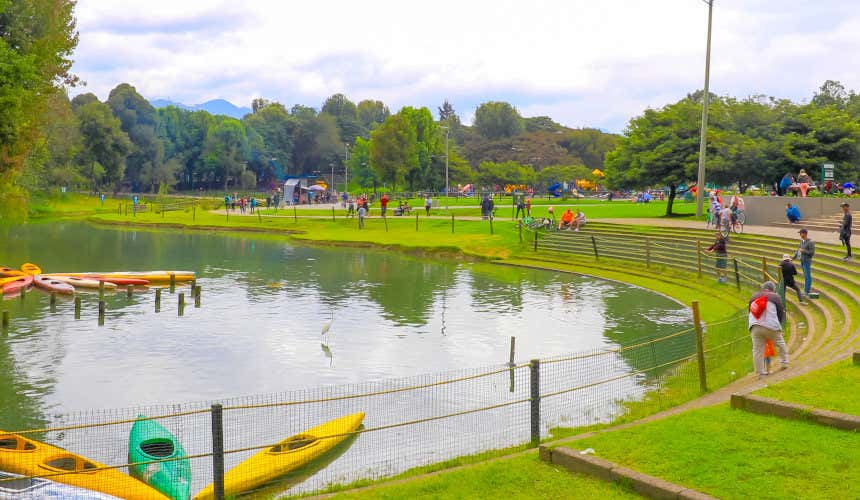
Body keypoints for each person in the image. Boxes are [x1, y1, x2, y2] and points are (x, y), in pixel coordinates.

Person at [748, 281, 789, 377]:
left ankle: (760, 373)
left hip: (755, 326)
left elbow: (750, 311)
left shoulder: (754, 296)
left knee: (757, 350)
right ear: (772, 289)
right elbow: (780, 312)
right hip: (771, 325)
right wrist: (778, 325)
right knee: (780, 343)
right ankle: (784, 363)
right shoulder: (775, 296)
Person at [793, 228, 815, 297]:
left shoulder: (810, 242)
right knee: (805, 276)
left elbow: (812, 253)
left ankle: (807, 291)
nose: (800, 234)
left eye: (801, 233)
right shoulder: (801, 241)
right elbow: (798, 251)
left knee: (808, 276)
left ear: (805, 234)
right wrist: (792, 258)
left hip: (807, 261)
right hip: (802, 261)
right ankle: (805, 290)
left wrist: (804, 251)